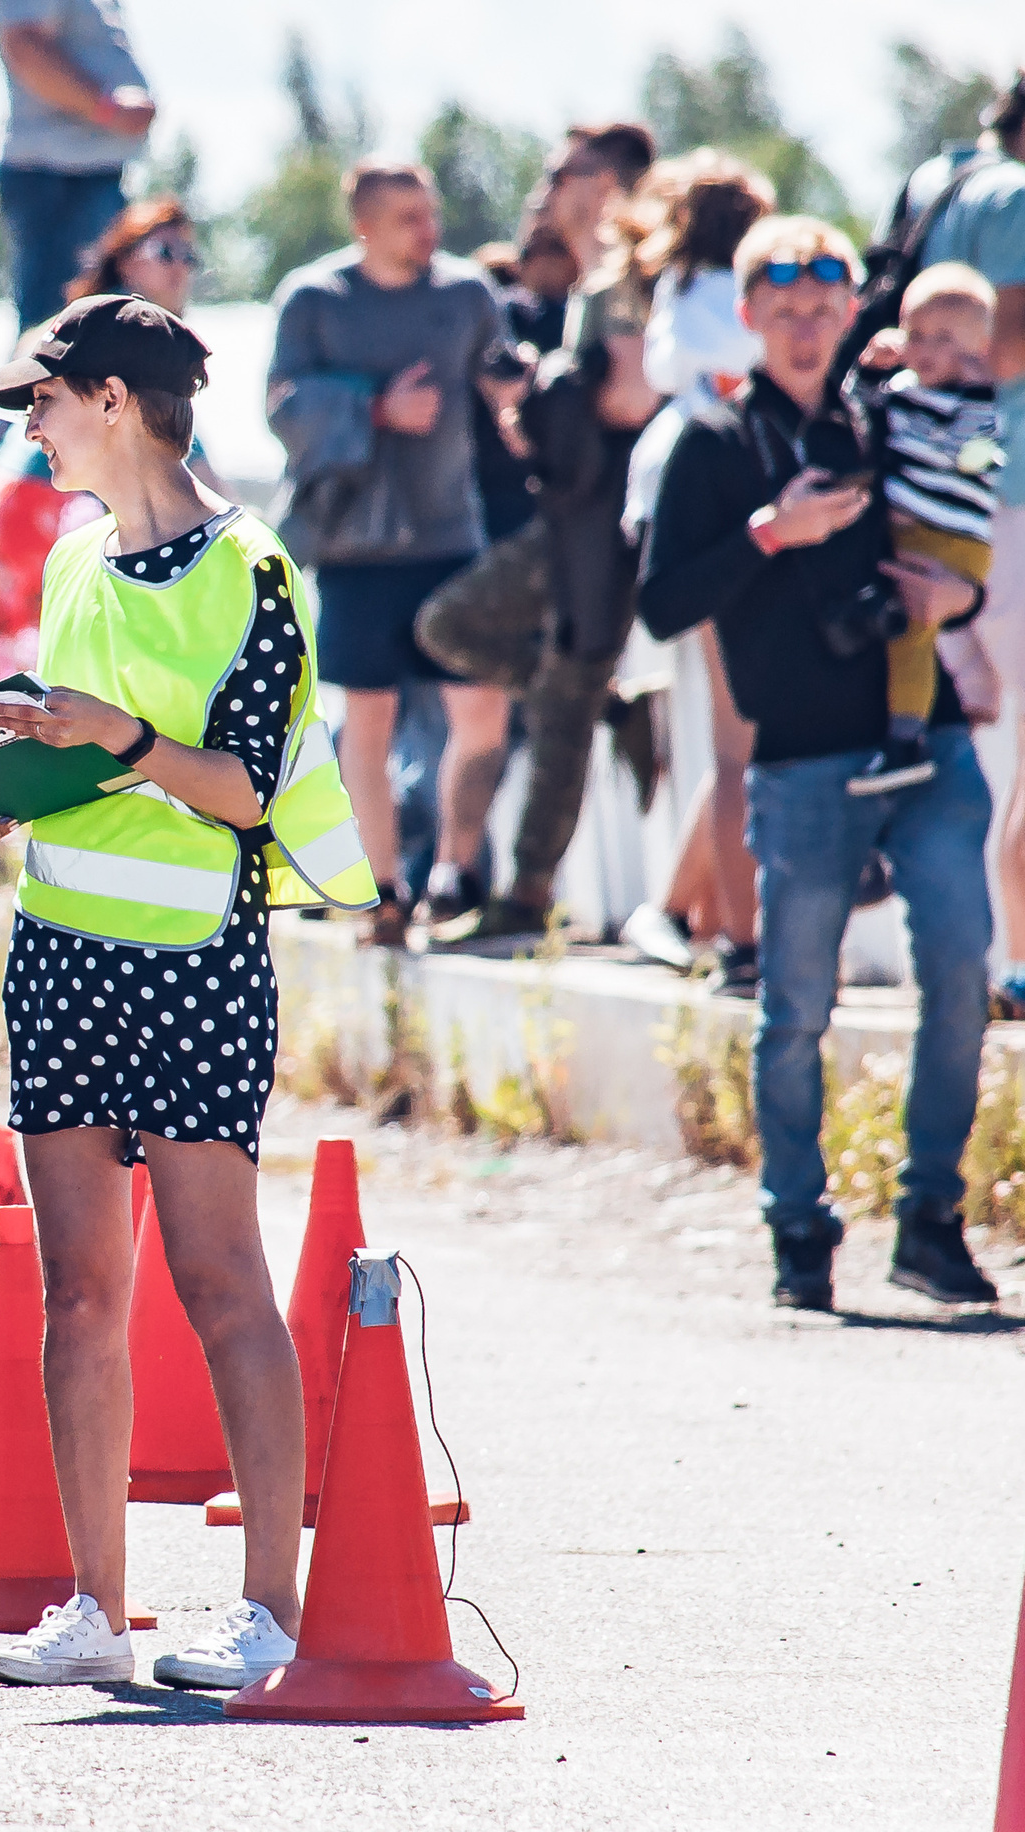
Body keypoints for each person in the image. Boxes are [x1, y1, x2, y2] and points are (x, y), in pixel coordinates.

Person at [0, 294, 377, 1689]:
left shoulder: (254, 572)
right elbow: (72, 741)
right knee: (78, 1289)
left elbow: (248, 791)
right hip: (61, 950)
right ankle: (95, 1612)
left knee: (219, 1283)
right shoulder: (74, 564)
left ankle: (266, 1612)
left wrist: (117, 737)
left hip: (196, 960)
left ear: (116, 401)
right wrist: (5, 792)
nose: (32, 431)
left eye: (44, 404)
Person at [638, 217, 998, 1312]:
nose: (803, 327)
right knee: (795, 1005)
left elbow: (963, 507)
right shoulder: (711, 442)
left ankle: (929, 1216)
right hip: (799, 763)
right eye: (781, 310)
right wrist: (764, 536)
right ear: (745, 318)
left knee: (960, 976)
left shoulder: (885, 414)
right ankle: (799, 1226)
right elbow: (658, 604)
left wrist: (963, 599)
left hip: (924, 738)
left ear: (851, 313)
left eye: (822, 308)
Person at [429, 122, 665, 945]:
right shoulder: (595, 278)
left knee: (560, 711)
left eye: (573, 171)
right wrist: (531, 402)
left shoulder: (627, 276)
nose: (552, 185)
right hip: (570, 513)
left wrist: (550, 390)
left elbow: (632, 398)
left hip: (610, 522)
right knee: (449, 628)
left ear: (613, 188)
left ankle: (525, 898)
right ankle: (597, 703)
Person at [266, 160, 508, 947]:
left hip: (452, 539)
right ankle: (380, 893)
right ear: (363, 223)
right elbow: (281, 406)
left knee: (481, 712)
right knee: (364, 725)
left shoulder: (467, 294)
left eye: (430, 212)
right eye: (407, 216)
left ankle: (453, 873)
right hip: (355, 547)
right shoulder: (314, 300)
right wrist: (376, 407)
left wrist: (519, 390)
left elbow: (501, 376)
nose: (427, 229)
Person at [0, 195, 215, 701]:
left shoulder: (68, 327)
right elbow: (179, 451)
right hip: (43, 515)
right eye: (167, 252)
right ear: (126, 257)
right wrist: (239, 526)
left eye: (190, 257)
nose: (181, 270)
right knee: (41, 697)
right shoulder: (124, 336)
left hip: (4, 508)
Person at [616, 155, 775, 982]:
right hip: (725, 507)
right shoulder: (729, 301)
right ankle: (711, 926)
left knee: (727, 743)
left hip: (677, 506)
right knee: (738, 743)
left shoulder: (677, 294)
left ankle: (694, 913)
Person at [889, 74, 1025, 1008]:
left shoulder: (944, 178)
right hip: (1008, 490)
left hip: (961, 497)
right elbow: (1005, 349)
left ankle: (1002, 963)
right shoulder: (1013, 194)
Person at [857, 264, 1007, 795]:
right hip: (915, 532)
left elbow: (969, 457)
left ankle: (906, 739)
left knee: (914, 634)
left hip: (950, 541)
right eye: (916, 334)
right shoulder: (905, 387)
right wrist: (871, 368)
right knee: (910, 630)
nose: (926, 349)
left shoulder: (975, 405)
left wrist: (971, 393)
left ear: (978, 346)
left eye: (946, 339)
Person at [0, 0, 155, 330]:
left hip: (81, 174)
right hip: (57, 176)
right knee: (55, 335)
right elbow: (24, 44)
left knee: (93, 331)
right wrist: (108, 109)